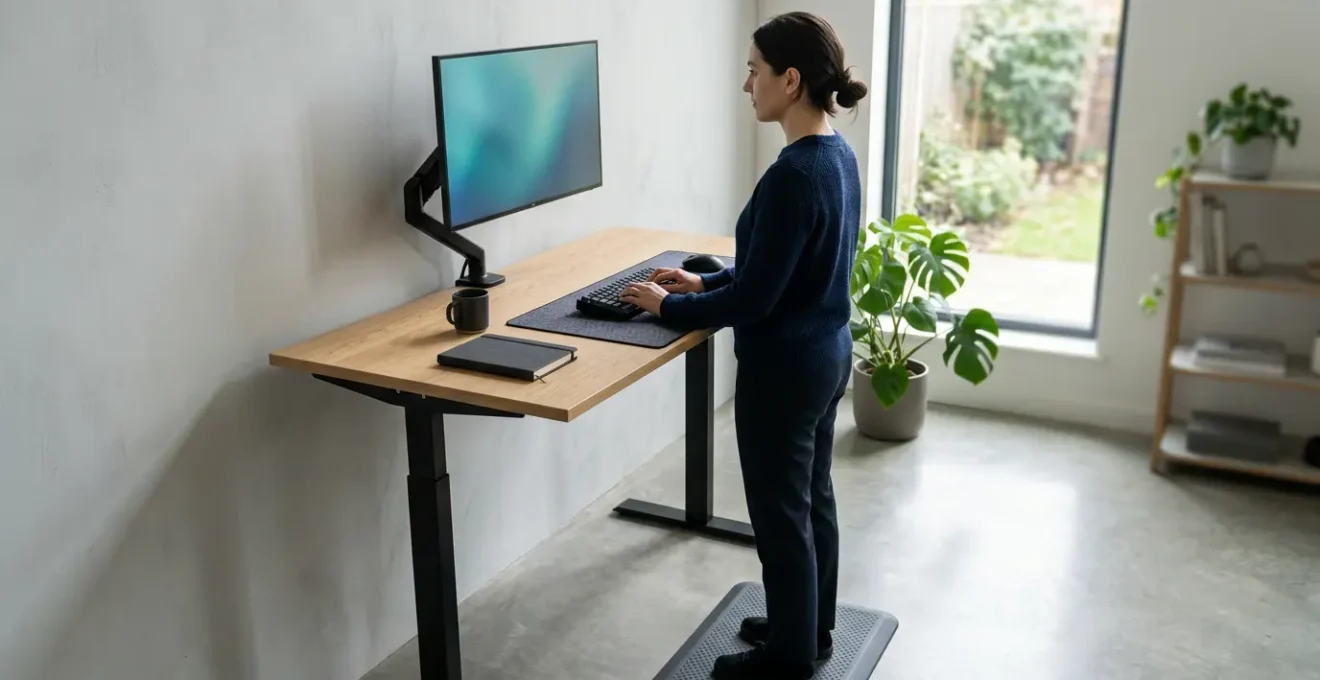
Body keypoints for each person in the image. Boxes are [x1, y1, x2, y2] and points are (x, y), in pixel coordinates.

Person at [619, 11, 867, 680]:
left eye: (753, 70)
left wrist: (671, 304)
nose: (745, 84)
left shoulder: (793, 174)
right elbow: (782, 269)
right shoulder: (836, 156)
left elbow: (756, 300)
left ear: (790, 80)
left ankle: (788, 659)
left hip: (783, 373)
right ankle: (808, 627)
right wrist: (704, 279)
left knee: (782, 514)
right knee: (813, 498)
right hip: (825, 355)